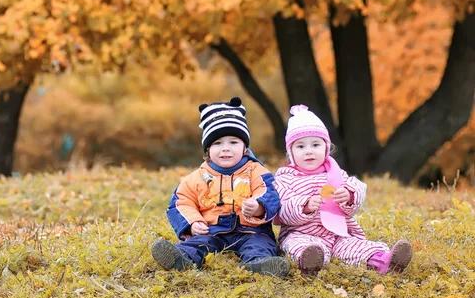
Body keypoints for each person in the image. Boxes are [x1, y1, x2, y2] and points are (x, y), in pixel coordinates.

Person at [151, 97, 290, 277]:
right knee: (197, 243)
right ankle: (182, 258)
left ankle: (258, 264)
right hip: (211, 231)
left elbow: (269, 193)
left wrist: (258, 206)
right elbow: (181, 202)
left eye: (233, 142)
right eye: (218, 143)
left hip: (251, 230)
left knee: (260, 244)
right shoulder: (197, 177)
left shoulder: (256, 171)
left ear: (244, 147)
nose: (226, 148)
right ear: (207, 150)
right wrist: (193, 224)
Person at [274, 104, 413, 276]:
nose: (308, 151)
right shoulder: (285, 178)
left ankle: (384, 260)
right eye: (300, 147)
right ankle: (309, 263)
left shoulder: (337, 173)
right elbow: (281, 210)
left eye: (315, 144)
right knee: (296, 244)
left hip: (339, 233)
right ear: (290, 152)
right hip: (302, 233)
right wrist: (305, 205)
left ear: (326, 147)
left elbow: (358, 189)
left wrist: (348, 196)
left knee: (356, 247)